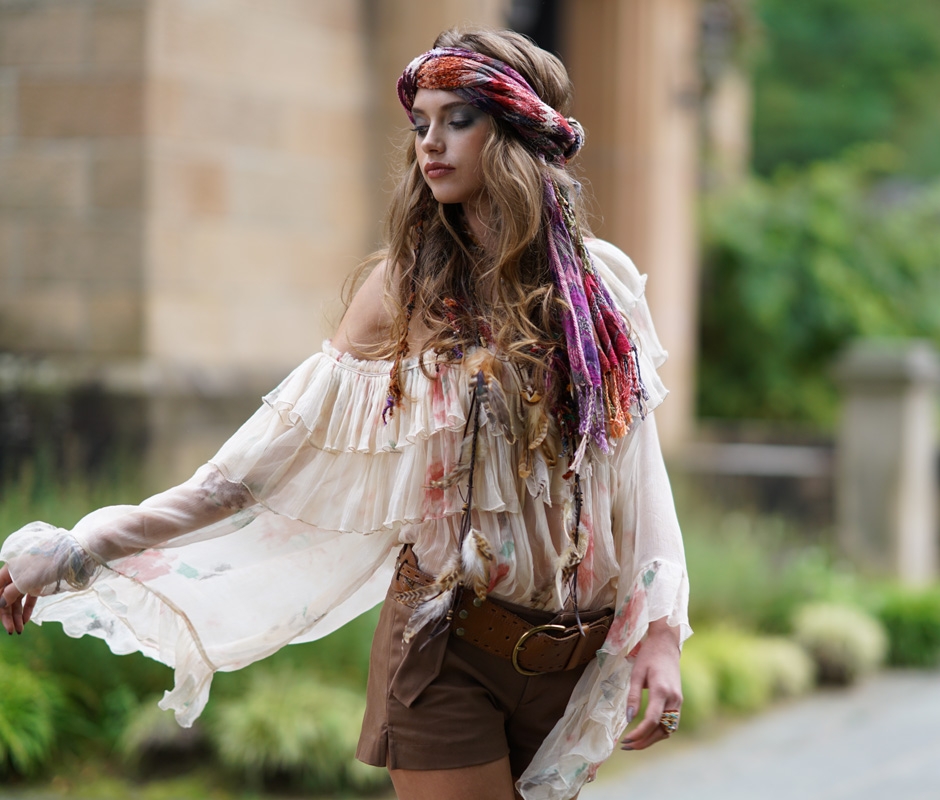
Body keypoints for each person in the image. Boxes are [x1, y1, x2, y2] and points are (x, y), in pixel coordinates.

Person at [0, 27, 689, 800]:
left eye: (456, 119)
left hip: (572, 656)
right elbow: (250, 473)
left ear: (516, 130)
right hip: (446, 651)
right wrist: (82, 546)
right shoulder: (404, 294)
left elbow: (638, 471)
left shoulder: (602, 288)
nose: (430, 143)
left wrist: (659, 634)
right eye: (419, 122)